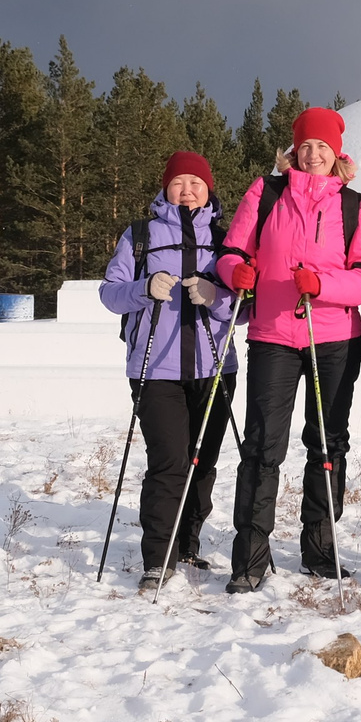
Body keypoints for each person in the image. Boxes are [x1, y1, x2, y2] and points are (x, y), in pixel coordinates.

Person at [214, 107, 361, 591]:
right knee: (263, 446)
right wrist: (234, 273)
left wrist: (323, 284)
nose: (313, 155)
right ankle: (249, 557)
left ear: (337, 155)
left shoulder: (356, 206)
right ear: (292, 152)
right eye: (305, 147)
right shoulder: (265, 193)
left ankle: (320, 547)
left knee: (328, 444)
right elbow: (232, 251)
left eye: (322, 148)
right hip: (271, 336)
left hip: (334, 340)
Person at [99, 151, 240, 592]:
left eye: (196, 183)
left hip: (214, 366)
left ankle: (188, 542)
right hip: (154, 369)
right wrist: (143, 289)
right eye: (179, 182)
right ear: (165, 189)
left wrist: (217, 296)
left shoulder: (225, 237)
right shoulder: (140, 235)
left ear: (209, 190)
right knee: (168, 461)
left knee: (203, 462)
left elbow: (244, 307)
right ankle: (158, 557)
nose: (188, 190)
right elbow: (110, 293)